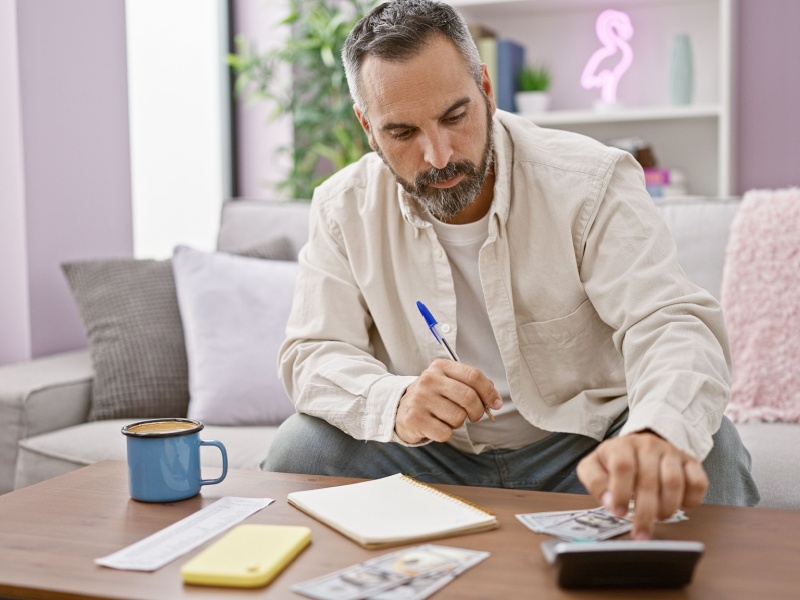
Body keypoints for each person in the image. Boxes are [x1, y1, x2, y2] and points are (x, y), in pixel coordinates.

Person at [262, 0, 759, 539]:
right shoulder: (342, 207)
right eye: (402, 133)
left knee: (710, 450)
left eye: (455, 116)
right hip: (430, 458)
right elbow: (311, 352)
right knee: (299, 447)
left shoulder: (590, 180)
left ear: (486, 88)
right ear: (367, 126)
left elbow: (670, 323)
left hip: (587, 451)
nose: (438, 155)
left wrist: (655, 433)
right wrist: (396, 400)